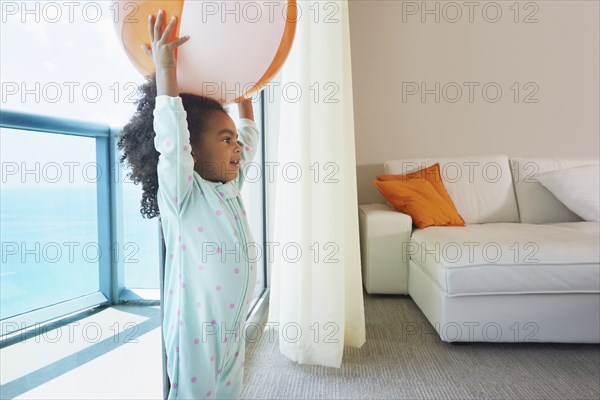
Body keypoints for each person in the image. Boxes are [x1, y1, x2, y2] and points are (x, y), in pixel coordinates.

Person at [118, 9, 259, 399]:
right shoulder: (184, 196)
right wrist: (166, 69)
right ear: (193, 151)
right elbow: (171, 137)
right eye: (225, 140)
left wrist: (245, 99)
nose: (237, 148)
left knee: (229, 390)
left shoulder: (228, 187)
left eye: (234, 141)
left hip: (232, 325)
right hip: (195, 331)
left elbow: (249, 136)